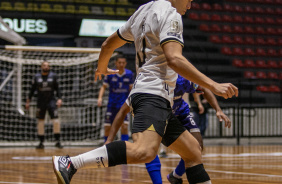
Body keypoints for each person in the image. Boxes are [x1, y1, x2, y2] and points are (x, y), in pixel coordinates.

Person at [52, 1, 238, 184]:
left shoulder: (142, 11)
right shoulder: (171, 14)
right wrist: (214, 85)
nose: (189, 5)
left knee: (193, 152)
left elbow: (107, 45)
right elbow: (174, 59)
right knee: (145, 151)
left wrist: (101, 67)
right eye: (189, 0)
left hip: (154, 96)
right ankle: (70, 163)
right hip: (153, 93)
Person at [104, 75, 231, 184]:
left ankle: (175, 176)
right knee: (149, 150)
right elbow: (122, 112)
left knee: (198, 146)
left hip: (181, 113)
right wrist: (109, 139)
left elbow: (204, 88)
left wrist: (218, 110)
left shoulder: (181, 80)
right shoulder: (150, 86)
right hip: (160, 116)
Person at [25, 61, 63, 149]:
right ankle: (41, 142)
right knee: (40, 122)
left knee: (56, 121)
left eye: (48, 66)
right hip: (40, 102)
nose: (46, 67)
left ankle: (57, 141)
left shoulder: (53, 76)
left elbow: (58, 89)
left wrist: (60, 99)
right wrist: (28, 101)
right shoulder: (37, 77)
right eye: (44, 65)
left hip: (51, 101)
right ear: (41, 66)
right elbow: (32, 90)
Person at [97, 55, 134, 142]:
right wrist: (99, 98)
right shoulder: (110, 73)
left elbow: (131, 89)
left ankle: (124, 147)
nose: (121, 64)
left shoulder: (129, 74)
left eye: (123, 63)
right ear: (116, 63)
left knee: (124, 126)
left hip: (123, 105)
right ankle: (106, 147)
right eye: (119, 62)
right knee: (107, 127)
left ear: (126, 63)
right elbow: (103, 87)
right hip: (112, 104)